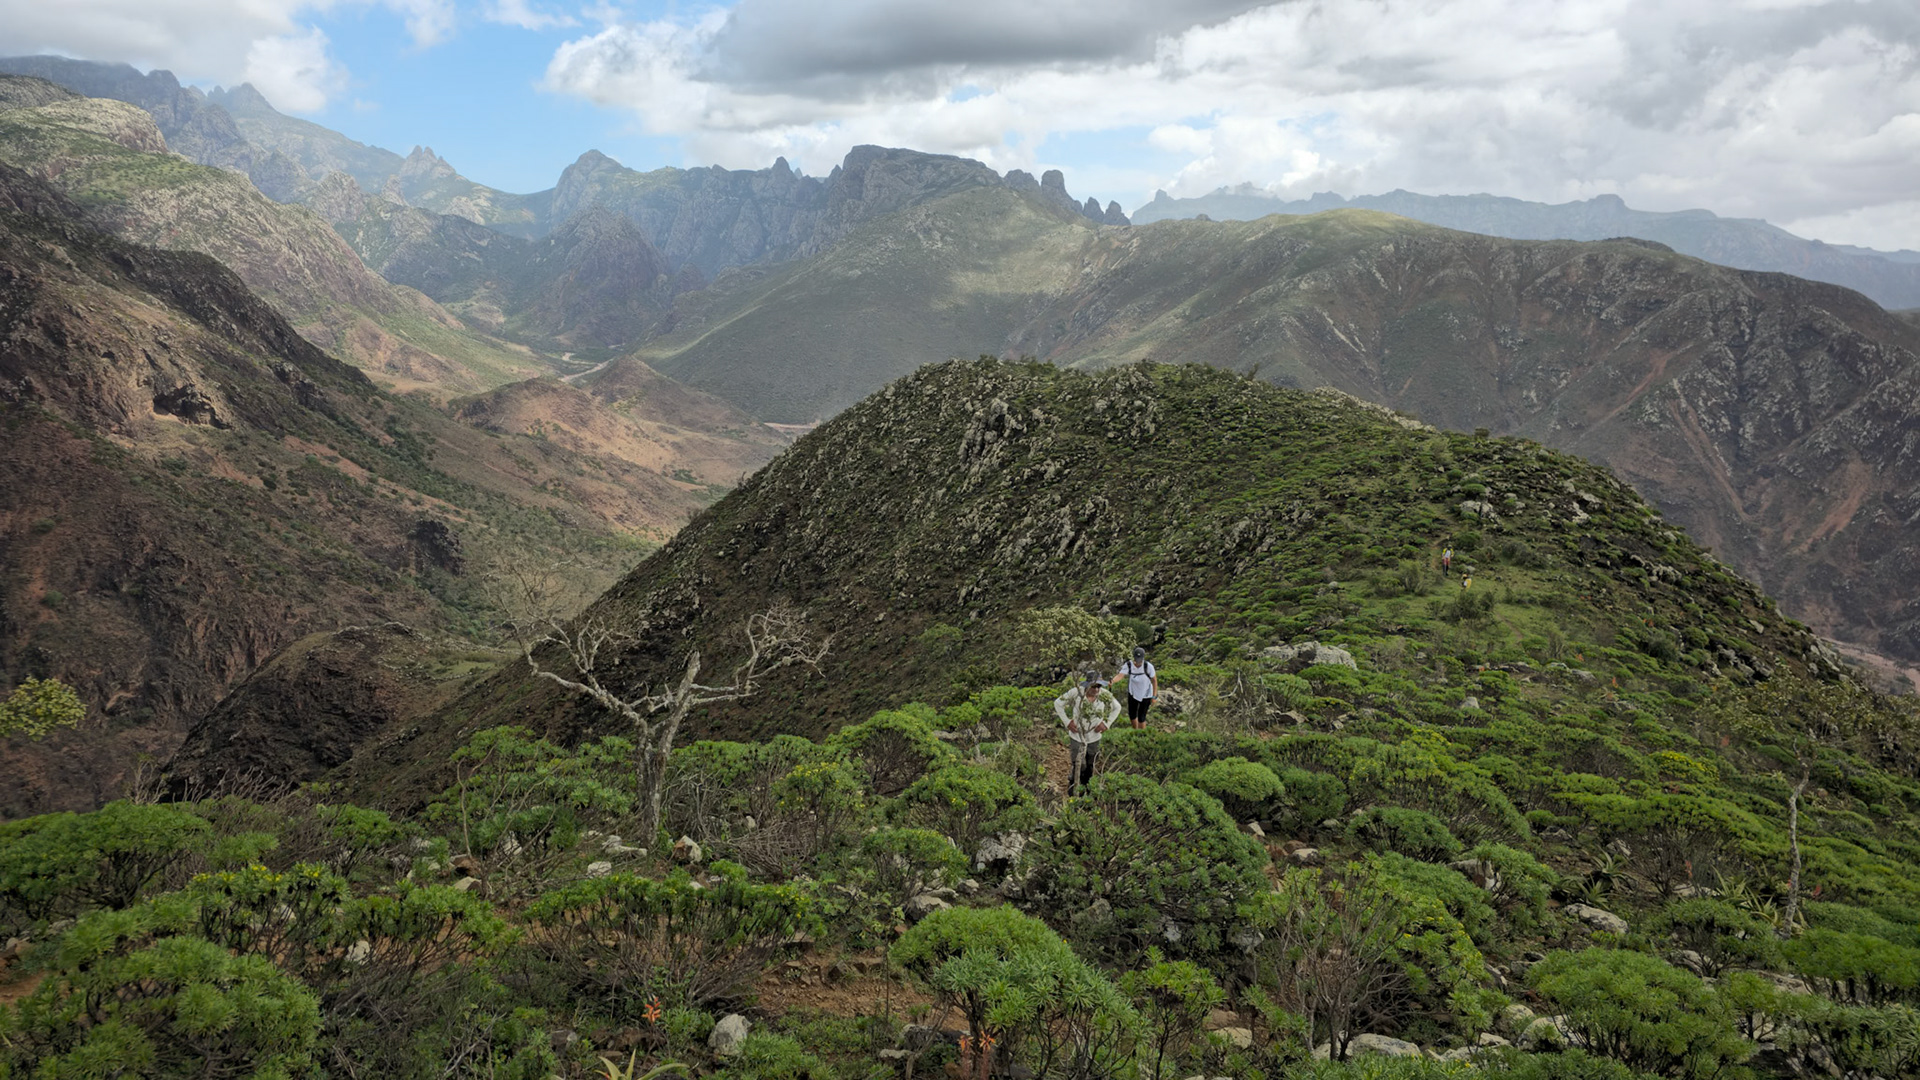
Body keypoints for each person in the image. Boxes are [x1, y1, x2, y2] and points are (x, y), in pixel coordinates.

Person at [1054, 673, 1120, 794]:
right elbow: (1058, 703)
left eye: (1098, 686)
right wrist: (1067, 722)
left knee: (1090, 764)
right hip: (1077, 736)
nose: (1096, 689)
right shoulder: (1076, 692)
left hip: (1094, 737)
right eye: (1093, 686)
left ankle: (1087, 791)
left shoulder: (1104, 694)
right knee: (1078, 763)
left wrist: (1106, 723)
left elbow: (1117, 707)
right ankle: (1073, 788)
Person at [1115, 646, 1158, 729]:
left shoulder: (1148, 666)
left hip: (1146, 694)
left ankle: (1142, 735)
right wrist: (1113, 681)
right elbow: (1120, 675)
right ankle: (1135, 731)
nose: (1138, 662)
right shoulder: (1128, 665)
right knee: (1132, 715)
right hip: (1133, 692)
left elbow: (1154, 681)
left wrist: (1154, 696)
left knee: (1142, 717)